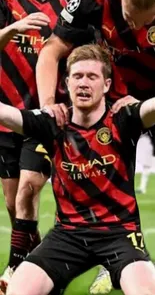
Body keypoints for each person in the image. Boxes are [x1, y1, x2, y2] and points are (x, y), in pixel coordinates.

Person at [0, 44, 155, 295]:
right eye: (78, 76)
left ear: (106, 85)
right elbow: (5, 114)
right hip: (68, 235)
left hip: (120, 233)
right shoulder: (51, 123)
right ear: (66, 83)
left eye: (92, 77)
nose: (84, 83)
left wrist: (140, 101)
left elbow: (151, 109)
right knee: (19, 290)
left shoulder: (124, 119)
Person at [0, 0, 71, 292]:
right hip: (5, 116)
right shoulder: (6, 1)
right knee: (14, 204)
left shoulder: (71, 8)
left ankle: (16, 266)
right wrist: (13, 28)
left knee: (30, 188)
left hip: (43, 117)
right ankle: (37, 262)